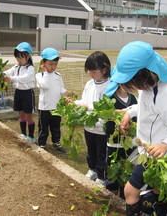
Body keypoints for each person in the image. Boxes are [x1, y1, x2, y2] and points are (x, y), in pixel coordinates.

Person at [104, 41, 167, 216]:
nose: (133, 87)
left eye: (133, 83)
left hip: (157, 154)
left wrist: (165, 145)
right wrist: (128, 113)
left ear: (145, 76)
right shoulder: (147, 89)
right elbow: (143, 107)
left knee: (130, 191)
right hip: (146, 151)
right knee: (158, 190)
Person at [74, 51, 111, 186]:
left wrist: (87, 107)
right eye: (90, 71)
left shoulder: (110, 86)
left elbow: (104, 108)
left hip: (102, 127)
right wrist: (74, 104)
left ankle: (102, 177)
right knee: (91, 151)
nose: (91, 74)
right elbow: (84, 101)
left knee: (102, 154)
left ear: (104, 69)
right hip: (89, 125)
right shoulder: (90, 84)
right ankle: (92, 169)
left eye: (94, 71)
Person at [104, 73, 138, 198]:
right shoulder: (110, 98)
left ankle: (124, 193)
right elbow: (104, 114)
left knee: (127, 167)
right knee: (112, 167)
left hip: (129, 142)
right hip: (114, 141)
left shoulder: (134, 99)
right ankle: (111, 191)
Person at [36, 47, 67, 153]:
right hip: (45, 108)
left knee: (56, 127)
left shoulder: (58, 75)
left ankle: (56, 142)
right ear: (43, 63)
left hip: (56, 107)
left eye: (55, 64)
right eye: (50, 64)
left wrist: (66, 93)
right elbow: (46, 86)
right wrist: (44, 72)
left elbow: (60, 87)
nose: (53, 67)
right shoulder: (40, 76)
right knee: (43, 128)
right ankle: (42, 144)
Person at [3, 42, 36, 142]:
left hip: (27, 94)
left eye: (21, 57)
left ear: (28, 56)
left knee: (28, 116)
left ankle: (31, 136)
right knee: (21, 114)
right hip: (18, 93)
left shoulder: (30, 68)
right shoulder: (16, 66)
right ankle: (23, 134)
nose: (19, 60)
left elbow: (24, 78)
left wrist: (10, 78)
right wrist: (2, 74)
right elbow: (8, 72)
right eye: (17, 57)